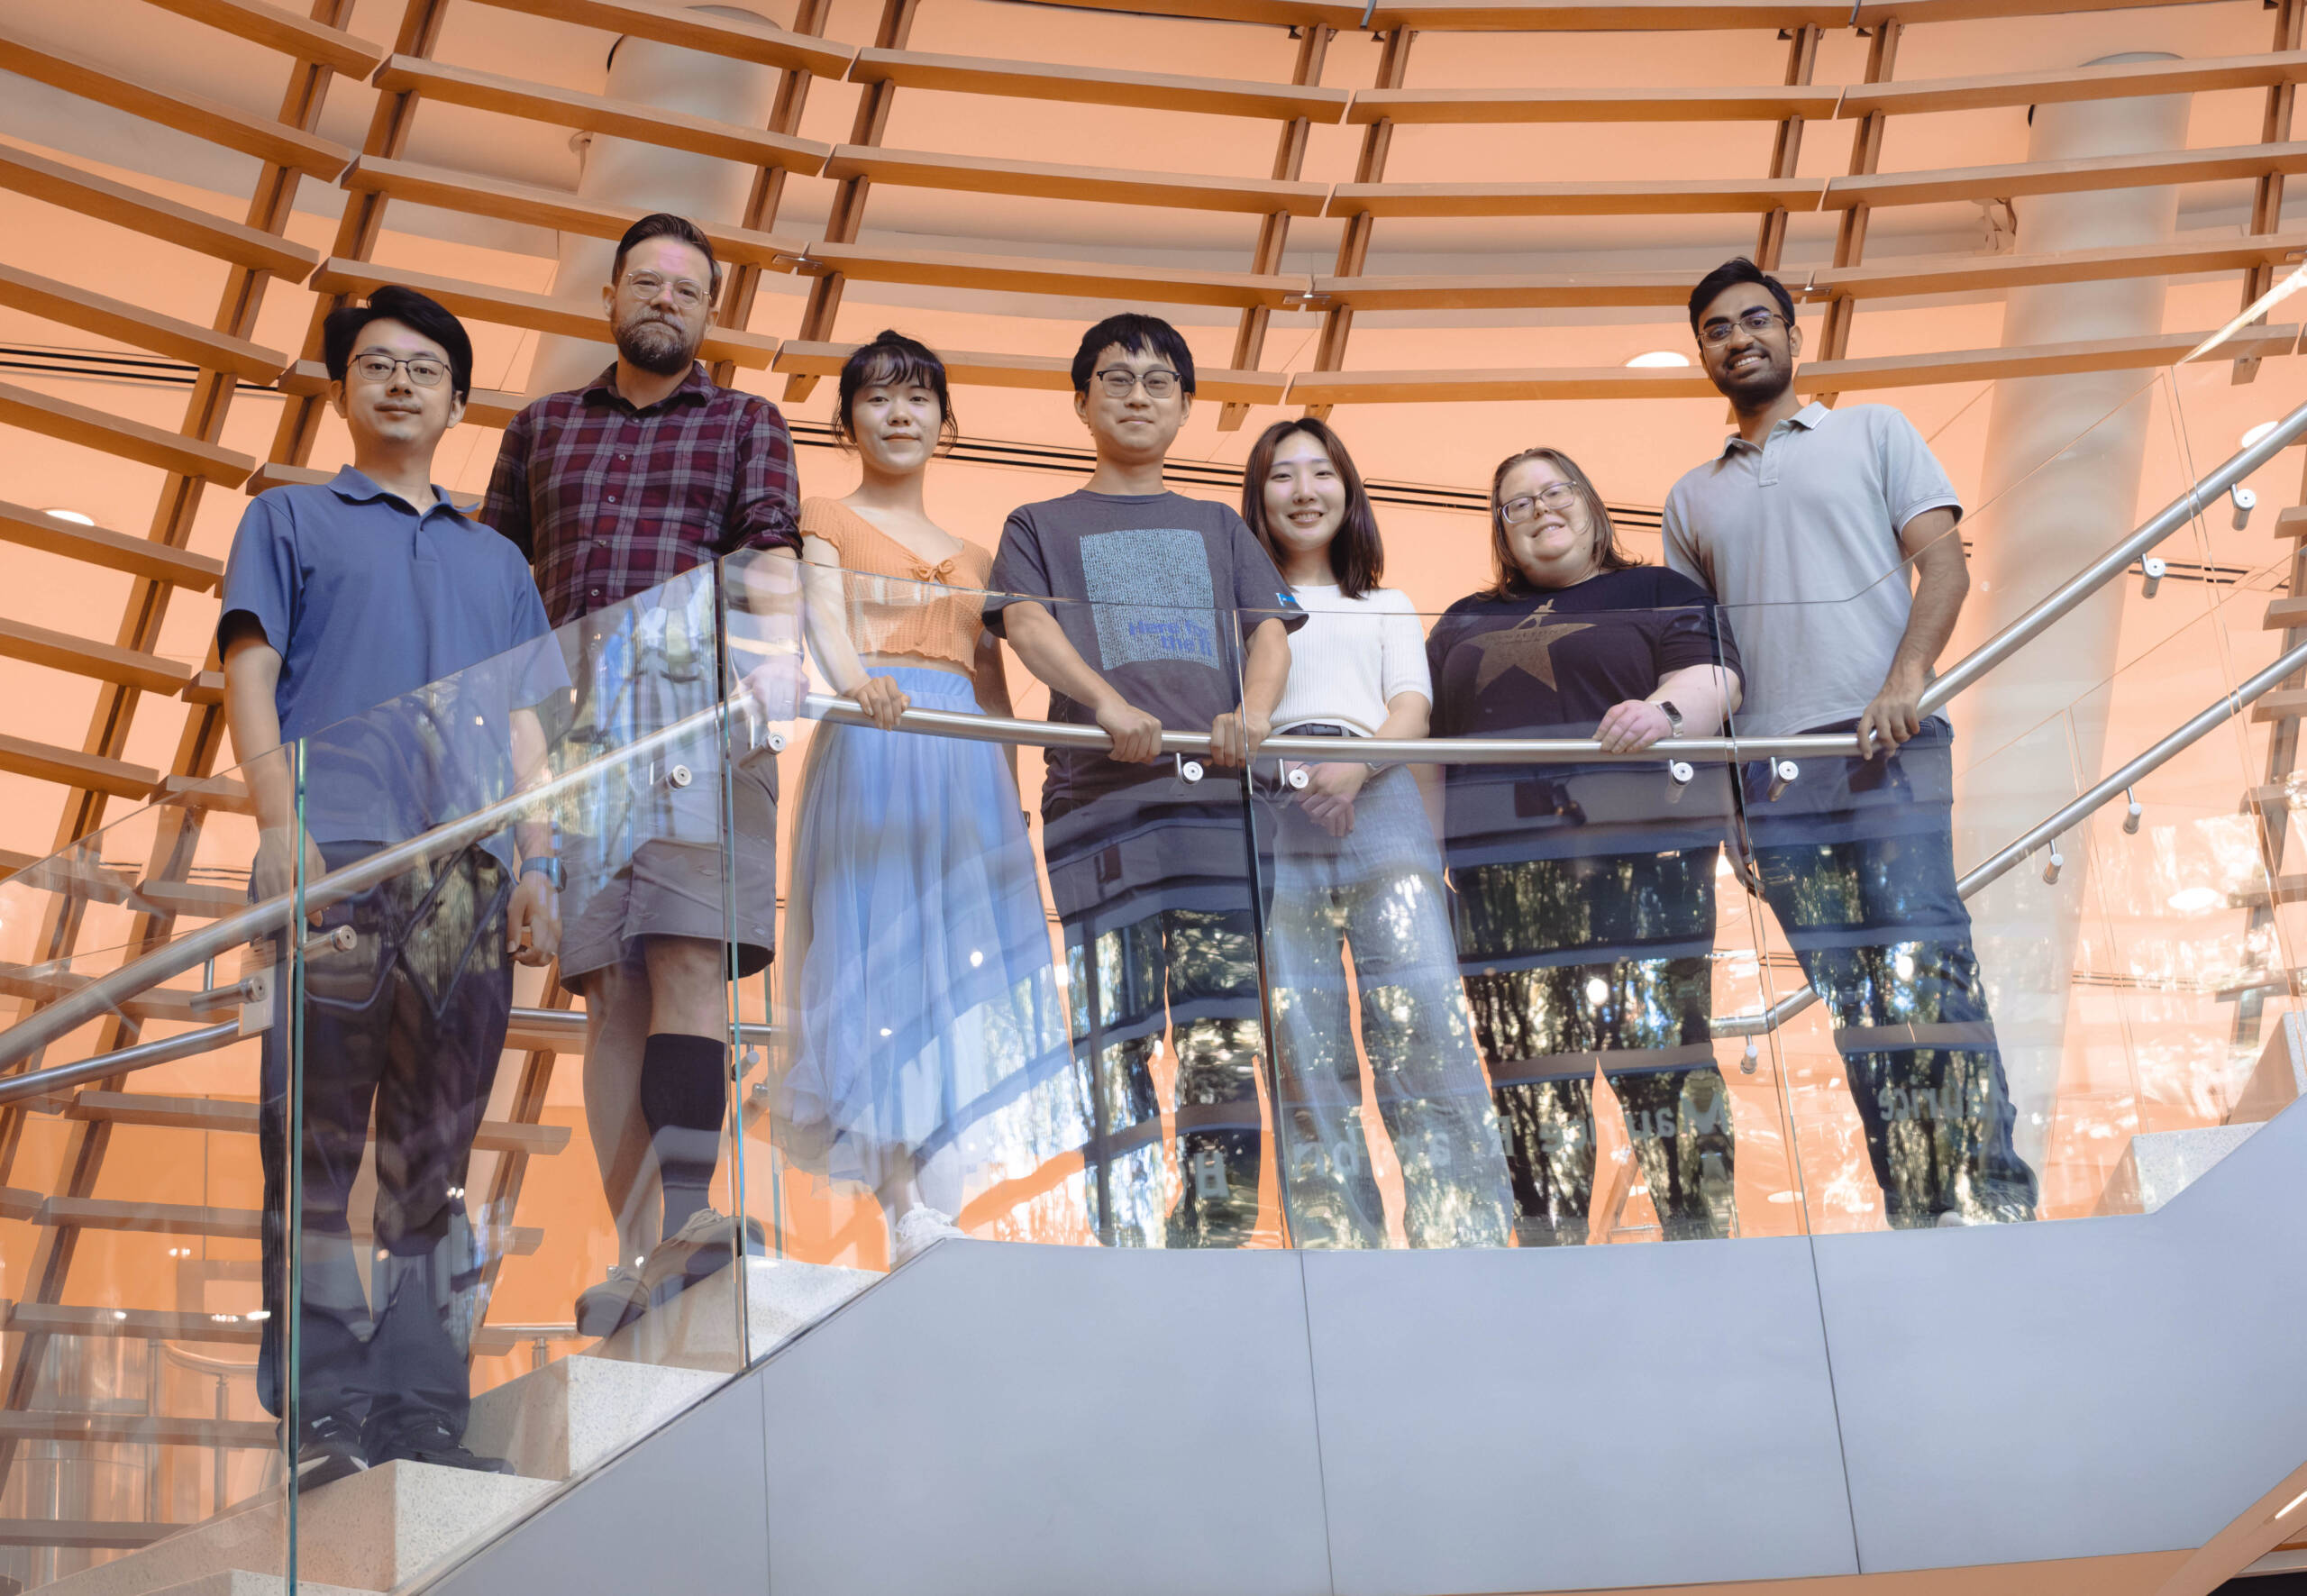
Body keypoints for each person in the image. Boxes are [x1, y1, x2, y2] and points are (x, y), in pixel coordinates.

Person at [221, 286, 563, 1486]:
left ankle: (420, 1403)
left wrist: (537, 859)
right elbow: (253, 677)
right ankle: (319, 1414)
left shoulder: (498, 559)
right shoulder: (289, 519)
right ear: (342, 389)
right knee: (314, 1141)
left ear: (460, 400)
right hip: (335, 863)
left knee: (434, 1153)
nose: (403, 383)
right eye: (377, 364)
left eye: (426, 368)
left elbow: (530, 728)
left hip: (467, 871)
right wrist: (280, 823)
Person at [1663, 257, 2039, 1228]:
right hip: (1777, 784)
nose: (1738, 337)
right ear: (1702, 352)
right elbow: (1702, 661)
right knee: (1855, 1006)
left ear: (1794, 335)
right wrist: (1727, 802)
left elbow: (1944, 569)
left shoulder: (1874, 429)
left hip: (1888, 750)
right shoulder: (1689, 498)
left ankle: (1990, 1197)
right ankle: (1917, 1211)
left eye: (1757, 319)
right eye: (1717, 328)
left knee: (1927, 964)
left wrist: (1904, 680)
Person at [483, 213, 806, 1332]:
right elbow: (499, 585)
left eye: (688, 289)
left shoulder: (746, 423)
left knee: (683, 957)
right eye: (646, 282)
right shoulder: (541, 427)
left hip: (696, 716)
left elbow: (771, 553)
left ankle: (686, 1214)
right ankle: (644, 1252)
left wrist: (771, 683)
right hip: (573, 727)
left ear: (708, 313)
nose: (666, 300)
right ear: (610, 297)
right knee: (606, 988)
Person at [984, 313, 1303, 1249]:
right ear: (1081, 399)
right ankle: (1121, 1226)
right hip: (1099, 803)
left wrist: (1254, 713)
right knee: (1111, 1030)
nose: (1136, 394)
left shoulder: (1217, 524)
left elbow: (1269, 632)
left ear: (1186, 406)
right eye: (1116, 378)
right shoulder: (1038, 523)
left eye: (1158, 381)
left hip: (1217, 809)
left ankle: (1216, 1223)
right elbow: (1026, 624)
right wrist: (1103, 701)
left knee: (1218, 1032)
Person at [773, 332, 1075, 1264]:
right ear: (847, 419)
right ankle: (901, 1201)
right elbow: (820, 610)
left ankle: (937, 1207)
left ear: (946, 422)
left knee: (958, 971)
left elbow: (993, 690)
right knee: (875, 958)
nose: (897, 414)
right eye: (876, 398)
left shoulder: (979, 553)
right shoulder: (821, 511)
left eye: (915, 399)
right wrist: (855, 677)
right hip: (876, 737)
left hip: (965, 767)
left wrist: (1014, 800)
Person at [1430, 447, 1743, 1246]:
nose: (1539, 509)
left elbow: (1716, 680)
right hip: (1501, 883)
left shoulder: (1660, 591)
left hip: (1643, 868)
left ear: (1591, 502)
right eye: (1516, 504)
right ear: (1501, 530)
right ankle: (1548, 1256)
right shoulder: (1463, 619)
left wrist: (1663, 714)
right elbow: (1429, 758)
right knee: (1530, 1083)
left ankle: (1704, 1243)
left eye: (1554, 490)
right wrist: (1428, 871)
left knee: (1667, 1063)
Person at [1240, 417, 1513, 1248]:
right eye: (1282, 476)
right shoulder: (1245, 608)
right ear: (1258, 499)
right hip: (1276, 806)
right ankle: (1335, 1248)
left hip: (1382, 793)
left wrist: (1353, 768)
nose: (1303, 491)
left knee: (1423, 1014)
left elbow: (1412, 709)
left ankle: (1461, 1234)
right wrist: (1302, 779)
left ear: (1349, 492)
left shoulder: (1386, 603)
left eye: (1321, 473)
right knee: (1303, 1040)